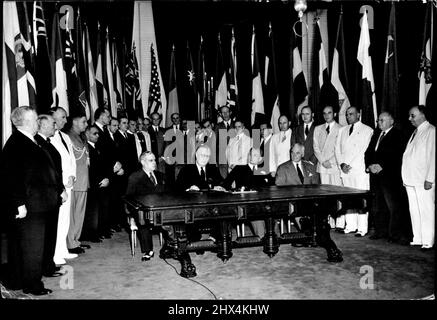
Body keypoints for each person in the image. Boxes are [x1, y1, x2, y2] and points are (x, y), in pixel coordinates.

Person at [0, 106, 60, 295]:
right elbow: (12, 178)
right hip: (31, 205)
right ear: (26, 122)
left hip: (37, 203)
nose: (37, 123)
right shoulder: (17, 143)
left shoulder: (26, 141)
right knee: (32, 247)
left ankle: (18, 280)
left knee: (23, 246)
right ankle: (33, 285)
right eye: (35, 120)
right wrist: (19, 204)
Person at [275, 143, 342, 263]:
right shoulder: (282, 168)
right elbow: (279, 190)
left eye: (297, 153)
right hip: (294, 204)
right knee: (313, 225)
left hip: (312, 203)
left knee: (321, 222)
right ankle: (331, 248)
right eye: (292, 152)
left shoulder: (310, 167)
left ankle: (319, 239)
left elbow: (317, 187)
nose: (294, 155)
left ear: (302, 154)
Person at [364, 112, 411, 245]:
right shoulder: (376, 134)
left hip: (390, 176)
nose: (379, 123)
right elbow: (368, 152)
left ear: (391, 121)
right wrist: (369, 165)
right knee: (378, 205)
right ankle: (380, 231)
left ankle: (394, 234)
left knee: (393, 206)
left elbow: (397, 155)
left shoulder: (397, 134)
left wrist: (382, 166)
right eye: (378, 120)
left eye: (382, 120)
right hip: (375, 176)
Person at [34, 115, 67, 278]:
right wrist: (60, 189)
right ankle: (45, 267)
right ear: (42, 125)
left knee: (51, 232)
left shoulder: (46, 142)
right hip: (46, 197)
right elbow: (49, 172)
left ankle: (48, 264)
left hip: (53, 195)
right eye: (52, 123)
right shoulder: (38, 143)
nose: (56, 125)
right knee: (46, 234)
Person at [335, 106, 373, 237]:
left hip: (358, 169)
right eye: (347, 114)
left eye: (351, 114)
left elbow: (363, 150)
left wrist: (349, 164)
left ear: (359, 114)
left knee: (361, 199)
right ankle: (350, 225)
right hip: (345, 170)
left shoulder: (367, 130)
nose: (348, 116)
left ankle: (362, 228)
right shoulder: (342, 130)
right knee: (348, 198)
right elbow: (337, 149)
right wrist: (342, 164)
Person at [401, 106, 435, 251]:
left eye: (412, 116)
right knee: (414, 209)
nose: (410, 119)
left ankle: (428, 240)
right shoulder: (415, 132)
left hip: (423, 179)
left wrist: (430, 178)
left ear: (422, 115)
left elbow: (434, 156)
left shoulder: (431, 131)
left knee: (426, 209)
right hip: (411, 178)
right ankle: (418, 237)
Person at [223, 148, 274, 238]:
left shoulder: (264, 171)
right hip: (246, 204)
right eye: (250, 154)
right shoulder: (239, 168)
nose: (251, 157)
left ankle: (271, 237)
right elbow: (226, 184)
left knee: (273, 213)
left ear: (260, 159)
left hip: (263, 203)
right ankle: (263, 238)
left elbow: (270, 188)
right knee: (257, 216)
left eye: (254, 155)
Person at [125, 151, 167, 261]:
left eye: (154, 160)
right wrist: (132, 214)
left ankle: (171, 246)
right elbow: (129, 198)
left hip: (160, 208)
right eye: (151, 160)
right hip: (142, 210)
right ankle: (148, 250)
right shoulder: (135, 177)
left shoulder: (160, 175)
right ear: (143, 162)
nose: (154, 163)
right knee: (143, 219)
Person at [50, 107, 78, 265]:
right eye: (62, 117)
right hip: (59, 186)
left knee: (65, 220)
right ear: (52, 117)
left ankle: (62, 249)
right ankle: (54, 253)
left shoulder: (65, 137)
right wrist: (62, 182)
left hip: (69, 184)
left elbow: (71, 159)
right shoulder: (49, 138)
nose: (65, 121)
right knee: (58, 220)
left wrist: (72, 176)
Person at [313, 106, 343, 230]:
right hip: (323, 166)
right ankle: (329, 221)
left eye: (329, 113)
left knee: (337, 193)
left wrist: (331, 161)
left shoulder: (341, 129)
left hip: (334, 166)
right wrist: (323, 161)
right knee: (325, 196)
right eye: (324, 113)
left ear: (334, 114)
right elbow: (316, 147)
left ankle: (340, 221)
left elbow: (340, 148)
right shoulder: (318, 128)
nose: (327, 115)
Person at [82, 125, 111, 243]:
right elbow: (89, 169)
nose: (98, 136)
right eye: (95, 133)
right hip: (93, 184)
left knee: (101, 209)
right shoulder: (85, 148)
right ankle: (91, 234)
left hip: (103, 182)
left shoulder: (99, 147)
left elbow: (105, 165)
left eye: (98, 133)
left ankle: (100, 231)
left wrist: (107, 178)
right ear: (87, 134)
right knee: (92, 211)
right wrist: (98, 181)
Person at [67, 114, 89, 254]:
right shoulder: (68, 137)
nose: (86, 124)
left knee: (79, 213)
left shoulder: (81, 137)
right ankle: (71, 243)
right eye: (83, 121)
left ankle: (76, 240)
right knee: (72, 214)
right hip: (75, 182)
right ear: (74, 122)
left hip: (83, 180)